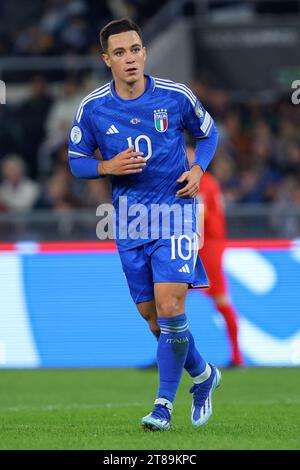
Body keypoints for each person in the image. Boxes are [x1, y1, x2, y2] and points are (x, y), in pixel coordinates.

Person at [68, 18, 219, 431]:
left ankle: (162, 407)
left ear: (144, 52)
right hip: (131, 222)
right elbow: (75, 161)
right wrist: (105, 166)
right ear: (106, 60)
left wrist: (199, 169)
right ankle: (204, 376)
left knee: (172, 308)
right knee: (155, 320)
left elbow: (208, 133)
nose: (129, 58)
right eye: (119, 52)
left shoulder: (176, 96)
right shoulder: (94, 107)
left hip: (176, 212)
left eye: (135, 49)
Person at [186, 145, 244, 367]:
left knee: (172, 301)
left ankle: (237, 357)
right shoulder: (208, 181)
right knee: (171, 301)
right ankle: (237, 357)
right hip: (206, 247)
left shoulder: (201, 183)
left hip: (206, 249)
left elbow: (198, 218)